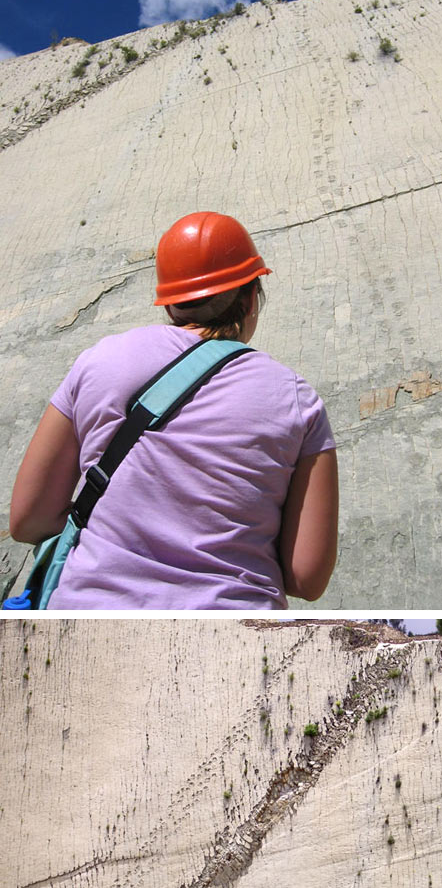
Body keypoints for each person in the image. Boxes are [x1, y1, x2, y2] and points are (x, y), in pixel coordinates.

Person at [9, 211, 338, 608]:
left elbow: (28, 520)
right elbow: (307, 577)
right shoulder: (298, 399)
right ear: (252, 297)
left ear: (169, 306)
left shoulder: (99, 361)